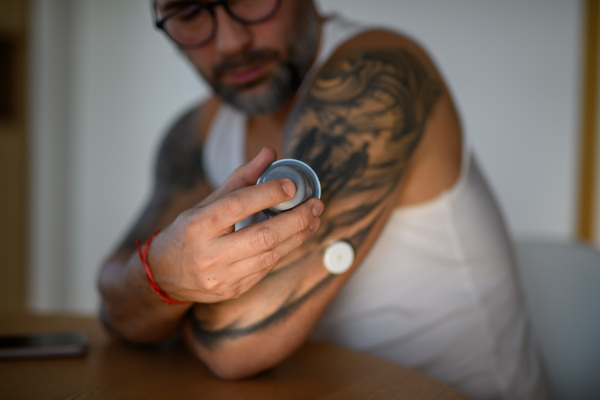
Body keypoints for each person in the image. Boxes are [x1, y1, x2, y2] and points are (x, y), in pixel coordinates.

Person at [98, 1, 549, 398]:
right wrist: (162, 277)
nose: (231, 42)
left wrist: (162, 294)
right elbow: (112, 305)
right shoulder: (195, 133)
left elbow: (234, 343)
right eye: (190, 12)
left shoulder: (377, 76)